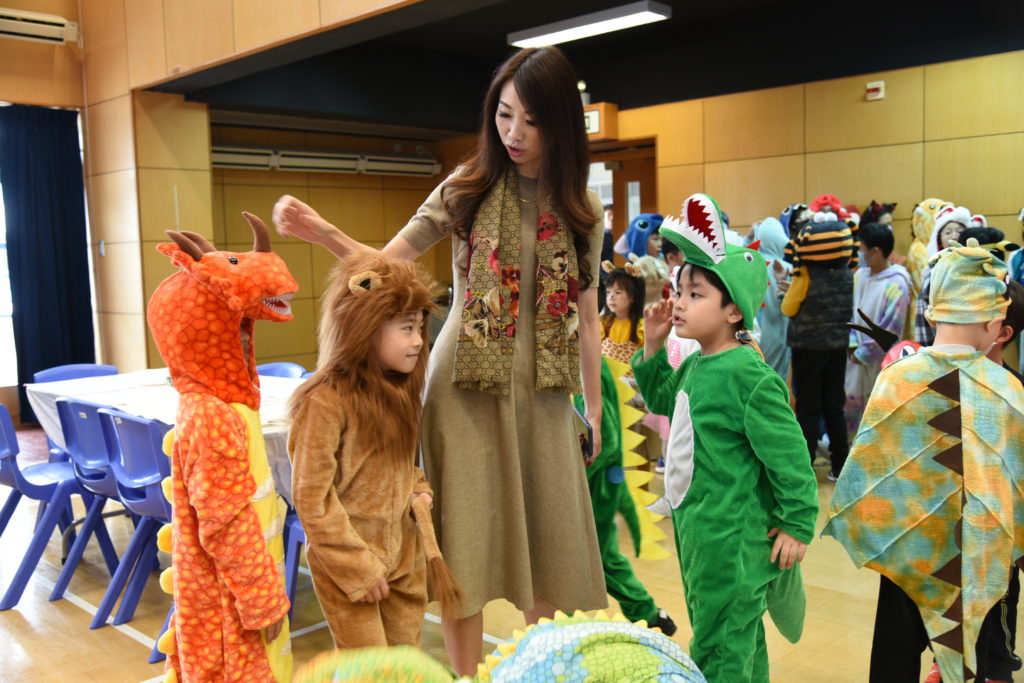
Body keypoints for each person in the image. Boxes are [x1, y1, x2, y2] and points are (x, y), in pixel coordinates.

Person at [271, 46, 607, 676]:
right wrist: (325, 233)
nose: (514, 133)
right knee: (463, 545)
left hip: (545, 390)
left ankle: (539, 669)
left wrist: (593, 409)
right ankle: (465, 676)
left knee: (552, 544)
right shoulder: (466, 188)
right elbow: (386, 266)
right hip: (463, 388)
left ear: (561, 124)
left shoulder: (581, 209)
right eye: (504, 114)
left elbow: (587, 320)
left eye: (532, 121)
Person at [633, 193, 818, 683]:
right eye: (680, 290)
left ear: (734, 311)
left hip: (732, 541)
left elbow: (791, 457)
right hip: (701, 533)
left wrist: (797, 522)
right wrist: (652, 347)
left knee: (719, 647)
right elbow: (664, 401)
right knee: (738, 640)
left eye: (696, 295)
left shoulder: (747, 375)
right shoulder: (698, 362)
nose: (679, 302)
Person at [825, 238, 1024, 682]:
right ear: (996, 323)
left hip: (906, 551)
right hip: (978, 556)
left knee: (893, 655)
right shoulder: (1009, 389)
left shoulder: (896, 377)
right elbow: (1016, 479)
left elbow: (867, 471)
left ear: (932, 315)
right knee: (971, 656)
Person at [288, 253, 451, 650]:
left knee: (403, 665)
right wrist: (357, 567)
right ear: (366, 328)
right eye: (406, 328)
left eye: (420, 327)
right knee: (369, 668)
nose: (418, 340)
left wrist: (418, 487)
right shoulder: (324, 402)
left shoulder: (400, 393)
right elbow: (311, 497)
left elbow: (402, 464)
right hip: (350, 560)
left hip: (404, 555)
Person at [782, 210, 858, 481]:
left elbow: (789, 307)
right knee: (834, 406)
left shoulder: (806, 274)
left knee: (808, 408)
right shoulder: (848, 272)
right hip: (837, 344)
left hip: (807, 346)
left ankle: (806, 466)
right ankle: (840, 465)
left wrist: (788, 289)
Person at [845, 222, 911, 434]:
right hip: (853, 356)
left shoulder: (897, 284)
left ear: (875, 252)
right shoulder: (860, 276)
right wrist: (851, 343)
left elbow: (890, 330)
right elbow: (850, 312)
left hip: (876, 361)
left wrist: (863, 353)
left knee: (875, 416)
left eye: (861, 248)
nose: (858, 253)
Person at [751, 216, 792, 379]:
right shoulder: (788, 269)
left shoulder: (751, 266)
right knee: (776, 379)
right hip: (780, 331)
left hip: (754, 333)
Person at [600, 261, 646, 367]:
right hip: (606, 376)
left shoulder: (642, 327)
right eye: (608, 292)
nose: (611, 296)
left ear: (632, 297)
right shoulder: (602, 322)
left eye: (618, 292)